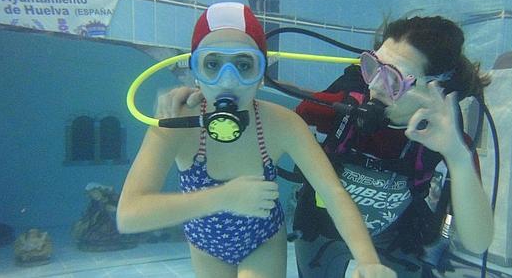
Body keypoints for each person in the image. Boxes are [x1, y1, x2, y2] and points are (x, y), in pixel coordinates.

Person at [158, 14, 495, 277]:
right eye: (373, 67)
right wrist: (212, 97)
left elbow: (478, 241)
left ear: (434, 89)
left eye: (393, 78)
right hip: (322, 231)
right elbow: (265, 115)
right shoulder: (341, 109)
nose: (374, 87)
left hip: (395, 240)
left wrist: (458, 157)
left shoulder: (449, 144)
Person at [116, 2, 396, 278]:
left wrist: (368, 261)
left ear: (261, 75)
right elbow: (129, 215)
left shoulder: (282, 124)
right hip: (206, 247)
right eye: (212, 64)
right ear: (196, 72)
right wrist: (224, 197)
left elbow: (333, 192)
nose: (228, 81)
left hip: (262, 240)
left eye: (243, 64)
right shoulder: (177, 122)